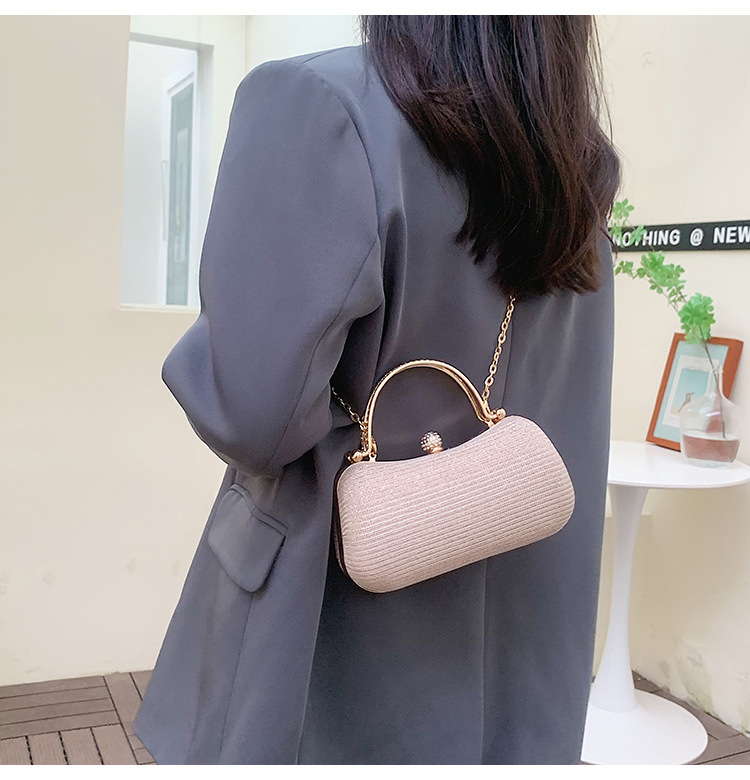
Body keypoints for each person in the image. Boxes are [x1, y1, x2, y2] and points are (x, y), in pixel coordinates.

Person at [133, 15, 621, 764]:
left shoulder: (319, 104)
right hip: (527, 638)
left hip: (327, 648)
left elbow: (252, 415)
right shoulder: (576, 163)